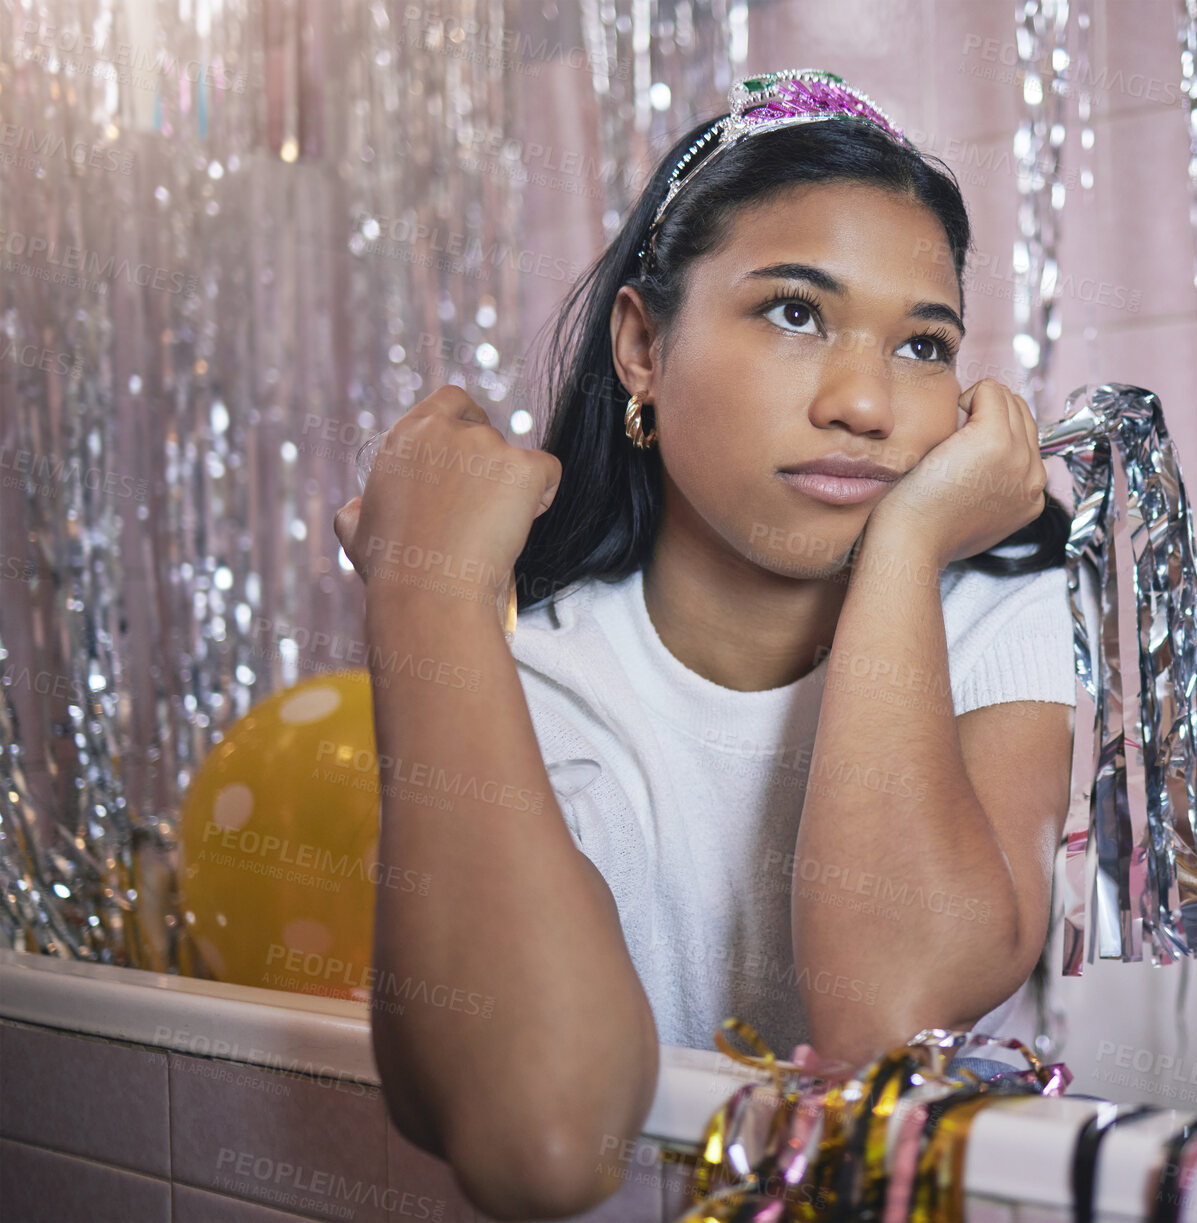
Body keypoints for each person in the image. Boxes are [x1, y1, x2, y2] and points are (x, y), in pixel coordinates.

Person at [334, 68, 1077, 1221]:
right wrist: (423, 589)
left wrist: (907, 548)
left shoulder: (998, 610)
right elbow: (542, 1143)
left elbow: (884, 1016)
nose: (868, 405)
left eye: (923, 346)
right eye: (794, 311)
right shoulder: (543, 670)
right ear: (641, 345)